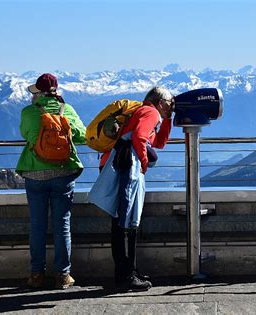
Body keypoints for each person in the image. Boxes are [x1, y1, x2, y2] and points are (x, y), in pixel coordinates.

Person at [98, 86, 174, 292]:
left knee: (122, 221)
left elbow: (158, 143)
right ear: (160, 103)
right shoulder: (150, 112)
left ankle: (127, 272)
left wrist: (167, 119)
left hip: (117, 165)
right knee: (126, 222)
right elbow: (140, 137)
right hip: (126, 168)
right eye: (169, 104)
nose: (171, 106)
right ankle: (126, 277)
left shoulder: (143, 112)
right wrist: (143, 162)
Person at [16, 73, 86, 289]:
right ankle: (63, 275)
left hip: (35, 174)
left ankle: (37, 274)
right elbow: (82, 136)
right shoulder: (68, 110)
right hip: (63, 173)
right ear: (57, 91)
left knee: (37, 225)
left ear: (38, 92)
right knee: (62, 225)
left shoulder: (29, 112)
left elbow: (26, 134)